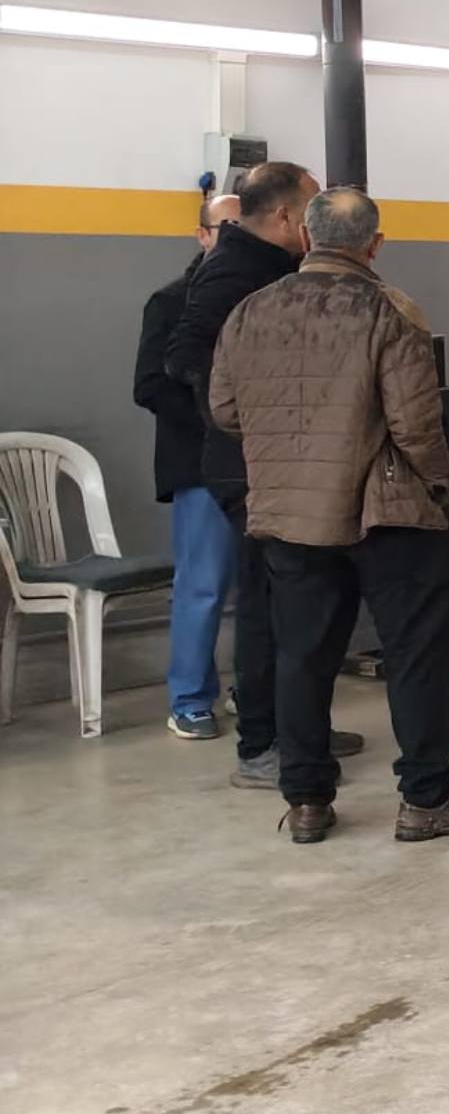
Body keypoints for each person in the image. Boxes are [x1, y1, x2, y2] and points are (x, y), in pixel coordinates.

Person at [209, 187, 449, 847]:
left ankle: (307, 801)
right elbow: (415, 424)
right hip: (386, 513)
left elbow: (224, 410)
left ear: (306, 237)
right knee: (418, 653)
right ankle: (427, 799)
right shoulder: (388, 310)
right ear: (374, 244)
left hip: (290, 512)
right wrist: (440, 484)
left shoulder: (250, 311)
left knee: (302, 655)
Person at [165, 160, 361, 788]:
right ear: (283, 215)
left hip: (280, 465)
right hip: (250, 470)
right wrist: (249, 424)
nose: (315, 223)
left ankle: (299, 730)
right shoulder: (235, 271)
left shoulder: (274, 266)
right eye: (309, 210)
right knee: (267, 606)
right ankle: (261, 744)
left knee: (305, 605)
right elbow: (186, 358)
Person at [134, 192, 244, 738]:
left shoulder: (263, 295)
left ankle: (254, 689)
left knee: (268, 583)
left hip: (262, 463)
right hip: (200, 464)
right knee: (203, 585)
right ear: (202, 236)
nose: (236, 240)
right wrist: (216, 422)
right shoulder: (171, 301)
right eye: (225, 230)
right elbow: (149, 386)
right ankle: (191, 699)